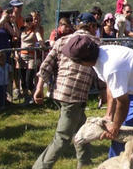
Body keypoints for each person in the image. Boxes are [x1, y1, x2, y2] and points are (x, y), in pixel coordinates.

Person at [62, 36, 133, 169]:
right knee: (120, 132)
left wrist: (115, 126)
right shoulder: (98, 59)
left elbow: (123, 102)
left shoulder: (111, 65)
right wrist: (109, 116)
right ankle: (114, 165)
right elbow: (111, 86)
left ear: (83, 61)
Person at [32, 13, 100, 169]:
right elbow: (99, 73)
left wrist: (38, 89)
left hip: (60, 93)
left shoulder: (62, 41)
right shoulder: (95, 43)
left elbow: (46, 66)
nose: (96, 30)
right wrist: (103, 92)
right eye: (96, 26)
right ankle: (40, 167)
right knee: (62, 137)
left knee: (81, 128)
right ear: (91, 27)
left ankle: (85, 162)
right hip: (74, 95)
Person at [19, 15, 45, 104]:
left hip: (31, 57)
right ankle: (27, 99)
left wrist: (41, 43)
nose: (29, 22)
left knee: (29, 79)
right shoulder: (21, 30)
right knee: (23, 80)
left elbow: (39, 37)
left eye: (30, 20)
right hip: (22, 57)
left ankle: (36, 97)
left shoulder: (35, 30)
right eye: (27, 20)